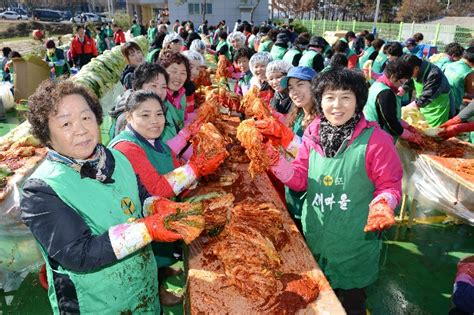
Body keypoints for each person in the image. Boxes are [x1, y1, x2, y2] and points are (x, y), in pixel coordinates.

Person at [21, 80, 184, 314]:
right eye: (66, 123)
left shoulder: (115, 158)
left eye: (86, 118)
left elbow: (141, 196)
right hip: (97, 304)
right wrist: (148, 229)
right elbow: (78, 253)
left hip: (143, 291)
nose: (81, 129)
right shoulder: (41, 191)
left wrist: (156, 205)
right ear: (46, 134)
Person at [263, 68, 403, 314]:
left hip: (354, 244)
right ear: (320, 100)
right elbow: (299, 180)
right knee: (316, 302)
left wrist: (384, 202)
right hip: (315, 237)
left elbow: (389, 184)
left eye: (346, 97)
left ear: (359, 101)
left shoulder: (376, 140)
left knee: (351, 305)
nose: (337, 105)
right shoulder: (313, 132)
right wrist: (273, 161)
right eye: (329, 97)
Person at [363, 59, 422, 143]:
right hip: (378, 138)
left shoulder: (378, 83)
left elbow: (392, 115)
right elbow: (391, 124)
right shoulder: (385, 93)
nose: (401, 86)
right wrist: (410, 136)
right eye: (401, 82)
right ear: (393, 77)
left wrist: (408, 126)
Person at [402, 54, 452, 127]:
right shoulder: (413, 68)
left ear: (416, 68)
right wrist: (404, 87)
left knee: (435, 133)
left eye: (408, 74)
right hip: (422, 105)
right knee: (421, 127)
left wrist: (411, 106)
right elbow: (410, 79)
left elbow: (428, 94)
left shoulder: (434, 74)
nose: (408, 77)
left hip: (437, 108)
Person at [159, 51, 193, 129]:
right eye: (174, 71)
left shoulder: (182, 94)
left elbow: (183, 120)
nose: (178, 77)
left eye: (183, 73)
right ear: (162, 72)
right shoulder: (159, 98)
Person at [443, 47, 474, 112]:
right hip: (453, 105)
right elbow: (469, 91)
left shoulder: (449, 64)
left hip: (441, 99)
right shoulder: (468, 72)